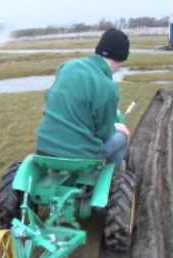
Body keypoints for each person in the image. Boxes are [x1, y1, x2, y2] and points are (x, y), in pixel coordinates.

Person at [36, 28, 130, 167]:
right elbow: (104, 134)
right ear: (120, 59)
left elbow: (50, 98)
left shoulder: (67, 67)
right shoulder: (108, 88)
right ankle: (115, 180)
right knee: (122, 137)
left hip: (43, 147)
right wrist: (117, 127)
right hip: (80, 156)